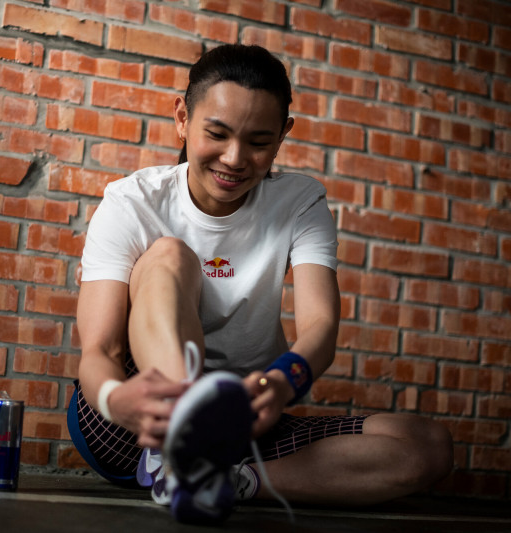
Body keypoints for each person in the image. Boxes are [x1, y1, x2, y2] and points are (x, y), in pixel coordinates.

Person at [68, 43, 453, 524]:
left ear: (283, 135)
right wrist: (114, 399)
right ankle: (178, 446)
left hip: (239, 424)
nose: (234, 158)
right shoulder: (132, 202)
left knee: (427, 446)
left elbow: (320, 325)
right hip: (134, 419)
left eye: (258, 141)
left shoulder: (300, 202)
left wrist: (283, 380)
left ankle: (224, 479)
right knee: (169, 254)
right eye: (217, 134)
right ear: (183, 118)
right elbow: (99, 351)